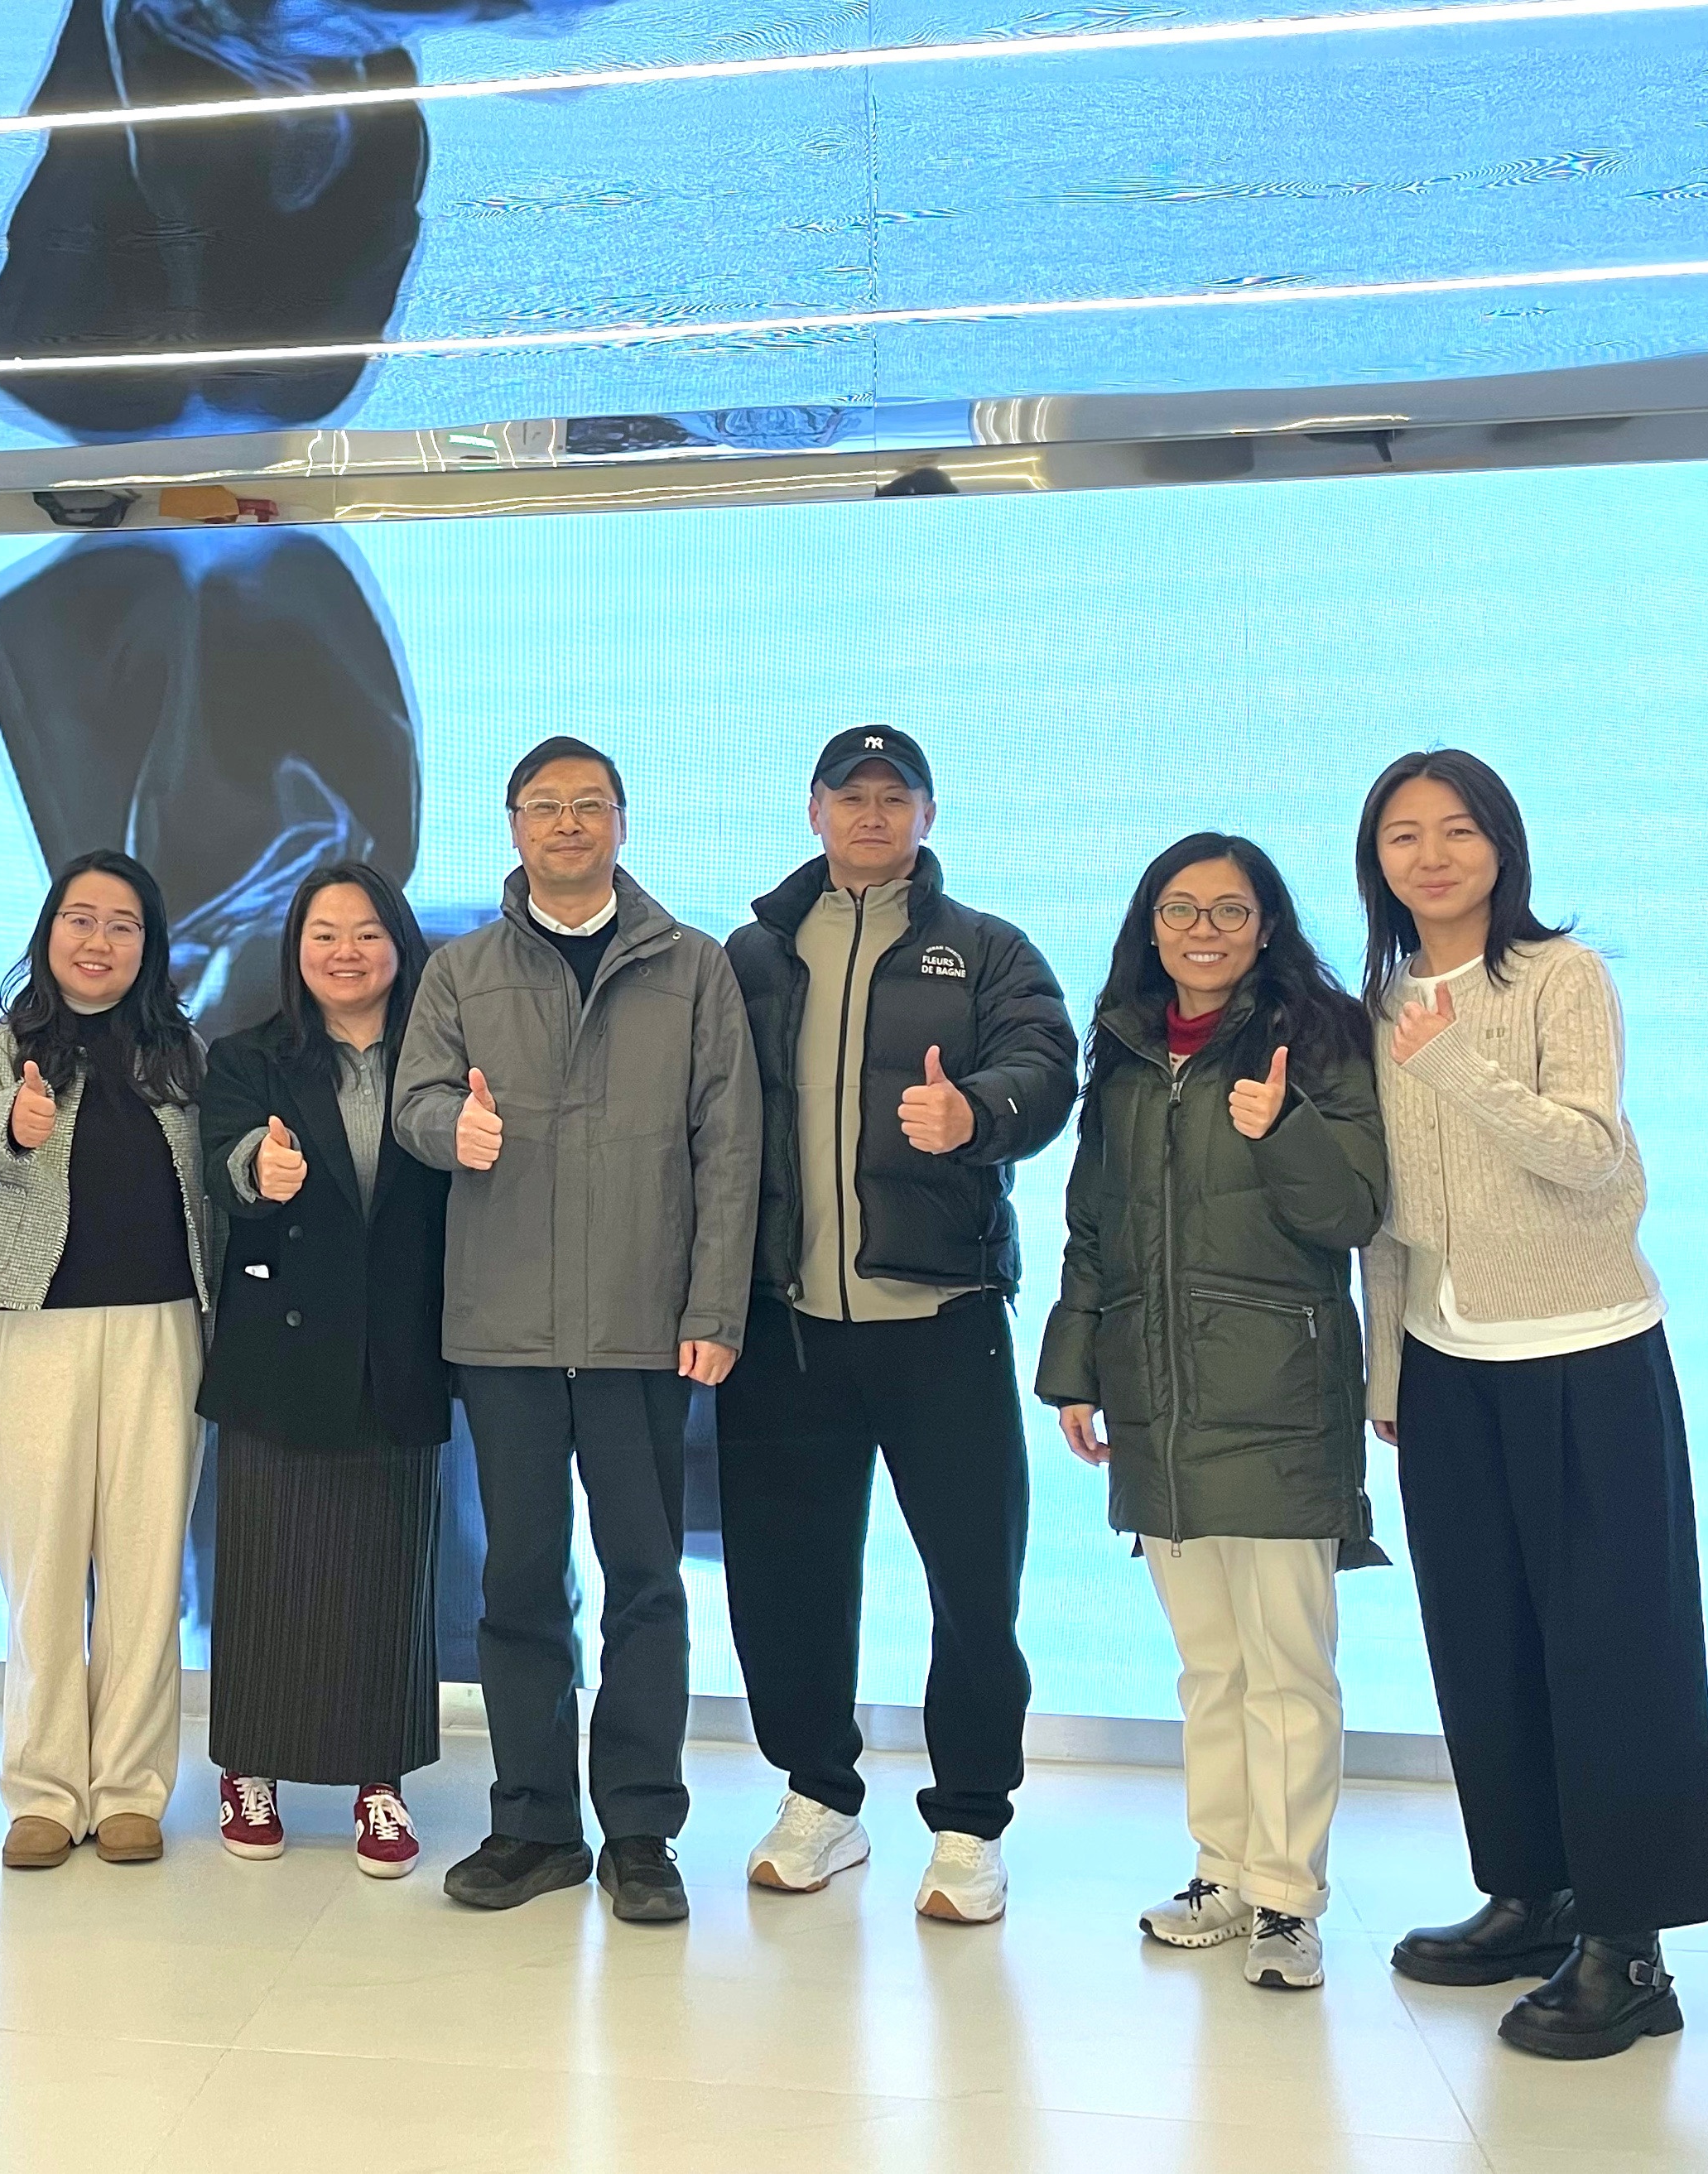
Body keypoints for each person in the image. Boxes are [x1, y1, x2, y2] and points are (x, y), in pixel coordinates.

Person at [1357, 748, 1708, 2059]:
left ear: (1503, 846)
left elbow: (1593, 1157)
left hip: (1585, 1351)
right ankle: (1530, 1892)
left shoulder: (1560, 976)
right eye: (1404, 835)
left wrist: (1457, 1064)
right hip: (1444, 1363)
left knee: (1613, 1651)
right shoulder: (1381, 1002)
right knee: (1483, 1642)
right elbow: (1388, 1218)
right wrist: (1387, 1375)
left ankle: (1630, 1946)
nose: (1432, 855)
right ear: (1377, 861)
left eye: (1457, 830)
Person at [396, 734, 761, 1924]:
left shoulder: (693, 967)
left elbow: (730, 1149)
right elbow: (413, 1100)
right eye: (545, 806)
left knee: (646, 1584)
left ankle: (642, 1830)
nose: (567, 823)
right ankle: (534, 1823)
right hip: (502, 1326)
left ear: (621, 822)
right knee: (517, 1583)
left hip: (641, 1330)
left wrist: (713, 1309)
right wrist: (453, 1128)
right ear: (513, 826)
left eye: (589, 804)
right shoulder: (461, 970)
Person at [718, 726, 1077, 1926]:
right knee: (787, 1578)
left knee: (974, 1582)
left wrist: (975, 1112)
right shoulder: (753, 954)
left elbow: (1047, 1066)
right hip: (787, 1325)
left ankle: (970, 1820)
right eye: (850, 795)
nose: (870, 815)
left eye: (894, 796)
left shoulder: (986, 949)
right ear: (813, 808)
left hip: (942, 1318)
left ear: (927, 813)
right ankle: (818, 1795)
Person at [1036, 833, 1386, 1994]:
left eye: (1230, 911)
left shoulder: (1321, 1036)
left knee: (1290, 1666)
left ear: (1267, 925)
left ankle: (1287, 1897)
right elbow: (1095, 1223)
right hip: (1158, 1400)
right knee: (1211, 1666)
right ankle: (1222, 1872)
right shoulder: (1127, 1050)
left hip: (1280, 1394)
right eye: (1180, 909)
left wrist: (1278, 1127)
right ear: (1150, 925)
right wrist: (1077, 1367)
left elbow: (1352, 1209)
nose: (1203, 931)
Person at [0, 849, 217, 1871]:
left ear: (149, 947)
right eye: (80, 919)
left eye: (122, 925)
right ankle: (46, 1790)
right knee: (42, 1562)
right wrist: (12, 1124)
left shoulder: (182, 1053)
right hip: (36, 1323)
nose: (99, 941)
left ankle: (134, 1787)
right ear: (48, 932)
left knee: (146, 1562)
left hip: (163, 1326)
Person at [195, 862, 453, 1878]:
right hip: (280, 1348)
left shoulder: (442, 1055)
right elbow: (224, 1164)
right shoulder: (246, 1056)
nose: (346, 953)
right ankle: (247, 1766)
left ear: (399, 944)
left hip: (400, 1344)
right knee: (265, 1570)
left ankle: (378, 1781)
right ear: (295, 949)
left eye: (367, 933)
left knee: (388, 1577)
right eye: (324, 934)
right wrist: (258, 1171)